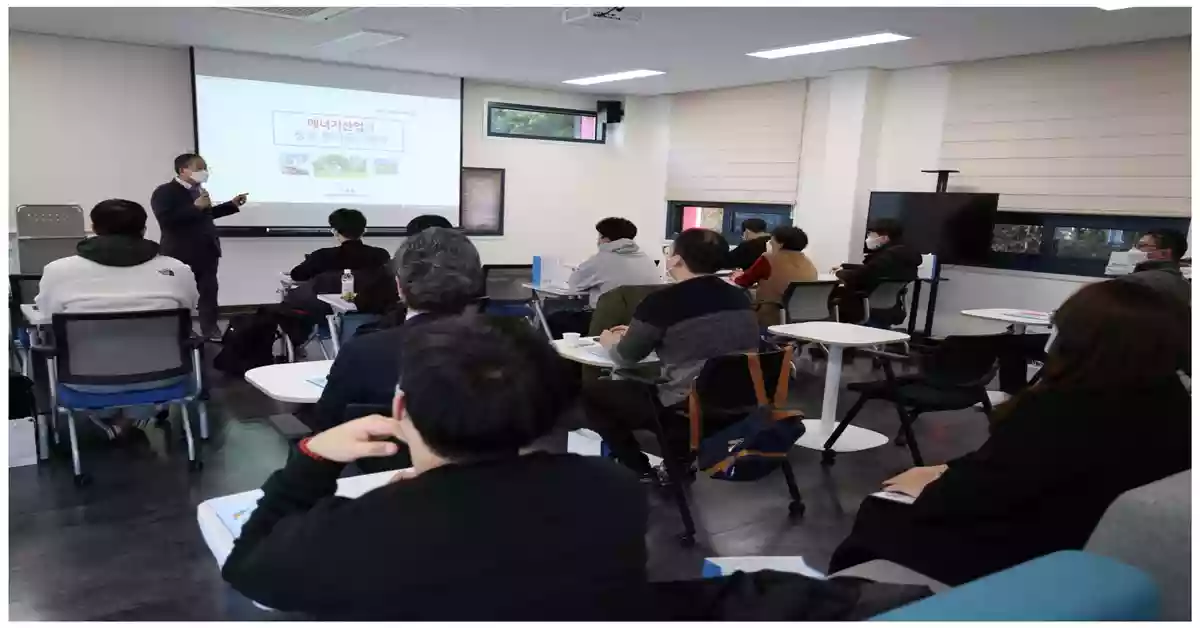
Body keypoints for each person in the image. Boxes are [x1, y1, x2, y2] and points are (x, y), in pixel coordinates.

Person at [221, 317, 650, 620]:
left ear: (400, 407)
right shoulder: (613, 487)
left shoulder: (358, 533)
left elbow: (247, 567)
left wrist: (312, 458)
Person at [828, 279, 1191, 586]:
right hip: (1092, 540)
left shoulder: (1062, 410)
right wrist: (947, 470)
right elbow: (1015, 467)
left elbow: (982, 491)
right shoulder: (1173, 404)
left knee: (880, 510)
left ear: (1083, 340)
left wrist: (930, 487)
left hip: (1023, 550)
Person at [583, 228, 760, 482]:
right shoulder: (740, 297)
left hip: (686, 405)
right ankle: (676, 461)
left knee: (594, 394)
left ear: (676, 259)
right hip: (743, 400)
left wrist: (610, 341)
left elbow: (626, 357)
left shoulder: (661, 302)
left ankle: (638, 468)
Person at [36, 198, 199, 450]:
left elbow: (46, 315)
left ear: (94, 228)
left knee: (45, 342)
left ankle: (111, 419)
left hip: (85, 381)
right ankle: (133, 417)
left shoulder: (57, 270)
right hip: (163, 377)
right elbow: (190, 307)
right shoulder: (176, 269)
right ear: (143, 229)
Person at [312, 227, 484, 432]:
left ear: (399, 286)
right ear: (477, 284)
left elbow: (326, 430)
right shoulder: (509, 351)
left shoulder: (361, 352)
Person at [151, 153, 249, 341]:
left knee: (209, 293)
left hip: (207, 250)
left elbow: (206, 215)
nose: (204, 172)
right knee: (180, 294)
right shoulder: (165, 192)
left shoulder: (199, 191)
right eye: (199, 168)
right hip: (180, 252)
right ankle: (183, 331)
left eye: (205, 168)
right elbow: (167, 220)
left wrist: (231, 205)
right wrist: (195, 208)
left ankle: (210, 329)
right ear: (183, 170)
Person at [831, 218, 921, 325]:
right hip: (890, 308)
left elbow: (861, 276)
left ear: (884, 238)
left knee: (835, 294)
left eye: (871, 235)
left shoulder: (888, 256)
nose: (868, 238)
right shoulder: (904, 256)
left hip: (865, 307)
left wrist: (839, 273)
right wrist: (845, 267)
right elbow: (872, 269)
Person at [732, 225, 818, 328]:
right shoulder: (807, 261)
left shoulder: (768, 258)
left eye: (772, 238)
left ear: (780, 243)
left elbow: (743, 282)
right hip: (804, 318)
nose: (770, 241)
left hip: (772, 315)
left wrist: (736, 277)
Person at [568, 217, 663, 307]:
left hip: (609, 316)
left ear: (606, 239)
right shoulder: (646, 259)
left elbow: (574, 284)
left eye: (599, 237)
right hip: (644, 317)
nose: (597, 241)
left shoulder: (600, 260)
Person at [287, 208, 390, 282]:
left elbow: (296, 275)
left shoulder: (322, 256)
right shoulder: (381, 255)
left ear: (335, 232)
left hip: (326, 305)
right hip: (371, 304)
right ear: (364, 231)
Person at [1117, 227, 1190, 304]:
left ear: (1164, 253)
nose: (1134, 250)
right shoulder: (1185, 285)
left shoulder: (1135, 282)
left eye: (1142, 246)